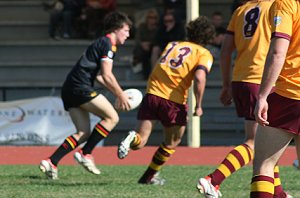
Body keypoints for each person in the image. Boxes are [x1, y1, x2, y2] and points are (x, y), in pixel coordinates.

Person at [196, 1, 291, 197]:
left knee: (267, 142)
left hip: (241, 78)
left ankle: (279, 193)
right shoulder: (278, 6)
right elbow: (280, 49)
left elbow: (225, 52)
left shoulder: (241, 10)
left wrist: (225, 84)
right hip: (263, 78)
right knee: (255, 143)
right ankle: (213, 180)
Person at [117, 16, 215, 185]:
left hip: (152, 94)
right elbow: (200, 77)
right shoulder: (204, 53)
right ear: (208, 37)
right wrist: (198, 104)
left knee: (140, 140)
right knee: (173, 141)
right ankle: (149, 176)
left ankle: (132, 140)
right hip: (173, 100)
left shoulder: (173, 45)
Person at [39, 11, 132, 180]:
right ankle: (86, 153)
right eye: (126, 30)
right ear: (117, 29)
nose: (128, 35)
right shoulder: (108, 44)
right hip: (80, 87)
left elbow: (98, 76)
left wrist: (117, 93)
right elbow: (107, 75)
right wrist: (121, 95)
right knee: (112, 118)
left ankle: (51, 161)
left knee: (83, 132)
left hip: (69, 89)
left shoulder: (100, 42)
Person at [251, 0, 300, 197]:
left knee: (264, 165)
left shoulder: (286, 3)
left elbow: (278, 52)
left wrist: (262, 96)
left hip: (290, 93)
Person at [132, 9, 159, 80]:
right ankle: (146, 75)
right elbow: (137, 39)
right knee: (143, 53)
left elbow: (160, 40)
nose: (152, 19)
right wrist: (142, 44)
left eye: (154, 17)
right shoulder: (142, 27)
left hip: (154, 47)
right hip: (142, 48)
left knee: (154, 50)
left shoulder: (158, 28)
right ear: (147, 18)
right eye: (150, 17)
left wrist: (149, 44)